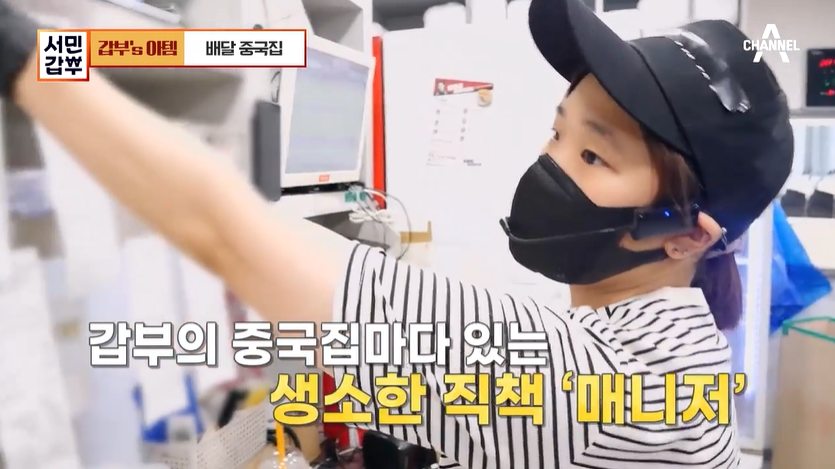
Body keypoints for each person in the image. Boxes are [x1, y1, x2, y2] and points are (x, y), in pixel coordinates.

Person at [0, 0, 792, 467]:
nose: (550, 165)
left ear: (686, 234)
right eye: (557, 133)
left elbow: (225, 228)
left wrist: (29, 59)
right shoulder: (653, 340)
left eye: (593, 155)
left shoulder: (622, 391)